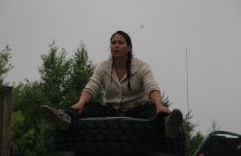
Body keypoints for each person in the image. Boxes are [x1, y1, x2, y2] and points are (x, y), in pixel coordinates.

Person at [40, 30, 183, 138]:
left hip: (138, 111)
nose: (116, 46)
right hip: (110, 111)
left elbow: (151, 86)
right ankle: (64, 118)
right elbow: (92, 86)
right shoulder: (103, 67)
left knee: (155, 111)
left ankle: (168, 124)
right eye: (113, 43)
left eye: (120, 43)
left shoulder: (141, 66)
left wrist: (159, 104)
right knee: (86, 108)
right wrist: (80, 102)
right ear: (110, 47)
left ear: (129, 47)